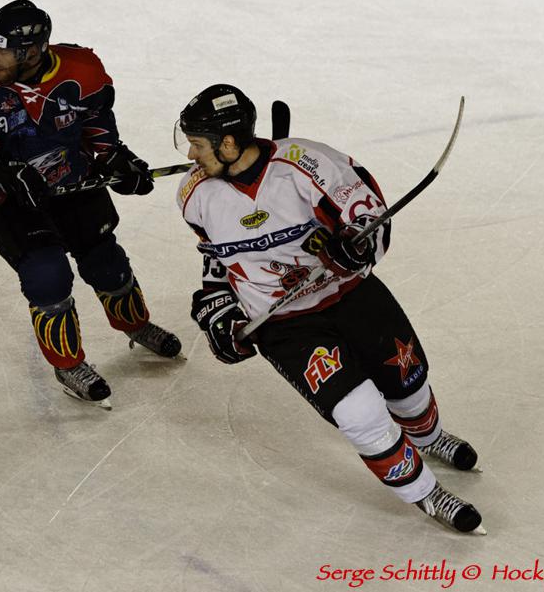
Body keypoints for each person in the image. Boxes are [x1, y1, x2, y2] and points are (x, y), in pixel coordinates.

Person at [174, 84, 484, 533]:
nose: (189, 154)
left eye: (197, 144)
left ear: (227, 143)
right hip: (283, 323)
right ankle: (426, 492)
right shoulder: (194, 195)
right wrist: (216, 305)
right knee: (359, 414)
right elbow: (216, 258)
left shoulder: (310, 164)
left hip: (349, 293)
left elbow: (370, 216)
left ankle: (429, 437)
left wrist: (355, 246)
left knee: (408, 385)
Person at [0, 0, 181, 409]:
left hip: (72, 183)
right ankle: (68, 364)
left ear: (31, 52)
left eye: (2, 50)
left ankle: (136, 325)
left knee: (106, 261)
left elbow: (98, 126)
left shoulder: (83, 70)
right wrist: (5, 181)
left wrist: (117, 160)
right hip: (11, 203)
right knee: (48, 274)